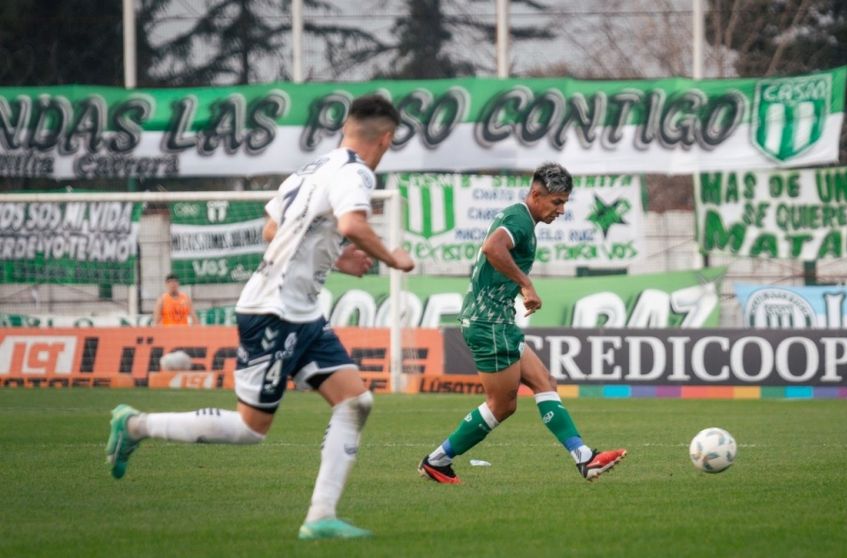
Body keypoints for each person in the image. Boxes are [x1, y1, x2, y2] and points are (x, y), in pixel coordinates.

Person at [105, 95, 415, 541]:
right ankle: (135, 425)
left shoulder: (316, 167)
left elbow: (272, 227)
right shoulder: (356, 174)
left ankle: (320, 517)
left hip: (301, 312)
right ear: (386, 138)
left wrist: (336, 260)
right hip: (273, 311)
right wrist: (393, 258)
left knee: (355, 401)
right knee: (251, 429)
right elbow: (352, 225)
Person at [418, 163, 627, 485]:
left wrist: (518, 286)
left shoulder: (523, 220)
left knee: (545, 382)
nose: (562, 210)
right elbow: (492, 248)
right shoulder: (519, 218)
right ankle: (437, 460)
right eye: (557, 202)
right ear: (536, 194)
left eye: (565, 202)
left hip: (498, 320)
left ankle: (585, 458)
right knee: (501, 405)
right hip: (489, 323)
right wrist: (526, 284)